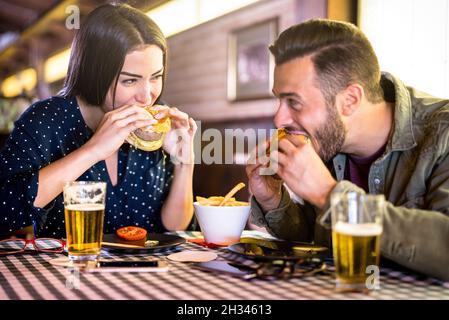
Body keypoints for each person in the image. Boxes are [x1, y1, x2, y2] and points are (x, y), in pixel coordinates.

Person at [246, 19, 449, 280]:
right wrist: (273, 201)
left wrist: (329, 194)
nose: (279, 119)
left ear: (350, 100)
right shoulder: (330, 142)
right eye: (279, 99)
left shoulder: (442, 133)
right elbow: (317, 241)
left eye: (294, 102)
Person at [0, 4, 197, 238]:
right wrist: (93, 150)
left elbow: (174, 229)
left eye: (155, 77)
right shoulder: (46, 120)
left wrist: (185, 163)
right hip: (69, 271)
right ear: (94, 74)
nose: (147, 96)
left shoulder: (158, 125)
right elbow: (5, 213)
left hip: (146, 271)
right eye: (130, 81)